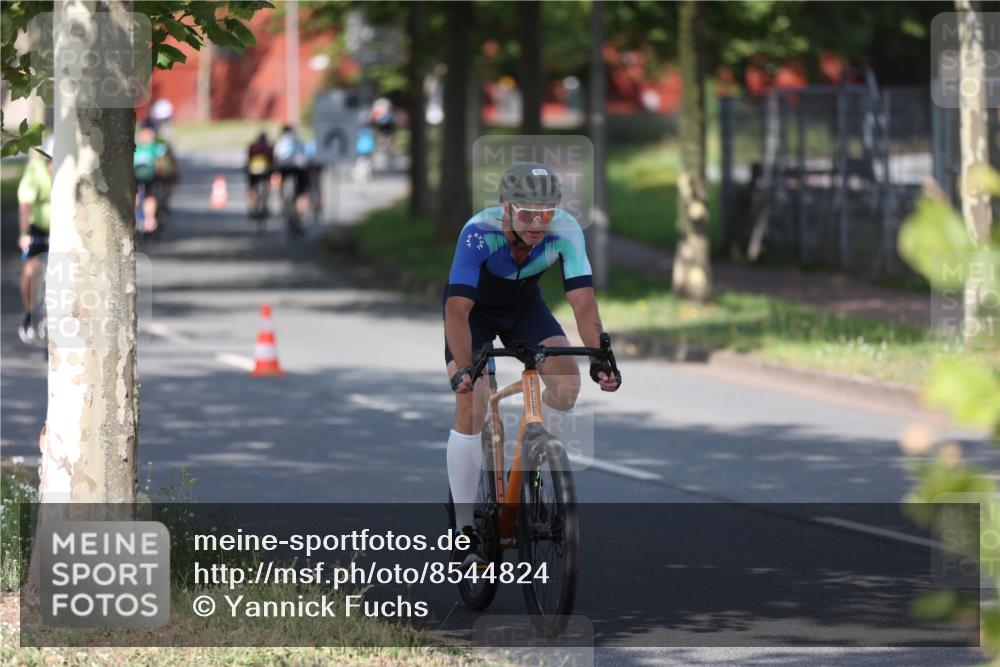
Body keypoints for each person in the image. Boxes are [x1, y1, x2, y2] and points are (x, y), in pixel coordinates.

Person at [443, 162, 621, 567]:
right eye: (527, 214)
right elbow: (457, 310)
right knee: (473, 402)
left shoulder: (567, 231)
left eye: (547, 213)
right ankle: (465, 526)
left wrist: (599, 358)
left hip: (524, 309)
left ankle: (535, 460)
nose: (539, 223)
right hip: (474, 314)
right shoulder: (478, 234)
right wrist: (465, 370)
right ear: (505, 207)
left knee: (567, 384)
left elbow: (582, 303)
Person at [17, 137, 53, 344]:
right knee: (31, 270)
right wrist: (24, 233)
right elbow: (25, 204)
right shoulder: (35, 172)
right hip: (36, 228)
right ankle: (30, 312)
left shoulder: (71, 173)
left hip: (61, 228)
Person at [271, 125, 309, 231]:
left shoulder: (280, 140)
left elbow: (276, 155)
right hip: (297, 167)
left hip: (284, 166)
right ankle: (300, 213)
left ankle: (283, 204)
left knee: (281, 184)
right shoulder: (298, 139)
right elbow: (304, 154)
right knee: (302, 191)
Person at [134, 122, 167, 233]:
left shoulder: (136, 146)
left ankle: (137, 218)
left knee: (137, 195)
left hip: (136, 173)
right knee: (150, 196)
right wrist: (161, 175)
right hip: (150, 174)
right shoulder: (156, 146)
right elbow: (160, 162)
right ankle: (150, 220)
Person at [246, 131, 273, 216]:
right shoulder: (268, 147)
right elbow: (272, 160)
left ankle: (252, 206)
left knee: (252, 188)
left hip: (252, 170)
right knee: (266, 188)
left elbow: (248, 159)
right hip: (265, 170)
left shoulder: (252, 146)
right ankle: (264, 206)